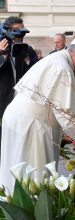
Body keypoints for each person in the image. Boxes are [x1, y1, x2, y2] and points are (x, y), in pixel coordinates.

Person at [0, 36, 75, 192]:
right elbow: (67, 119)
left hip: (19, 119)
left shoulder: (56, 59)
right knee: (34, 179)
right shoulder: (62, 68)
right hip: (32, 126)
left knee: (14, 170)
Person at [0, 16, 38, 148]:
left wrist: (27, 59)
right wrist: (2, 54)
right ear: (7, 31)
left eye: (23, 31)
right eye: (18, 31)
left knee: (18, 145)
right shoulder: (1, 49)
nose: (21, 35)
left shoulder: (27, 49)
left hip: (22, 105)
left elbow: (37, 74)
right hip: (2, 104)